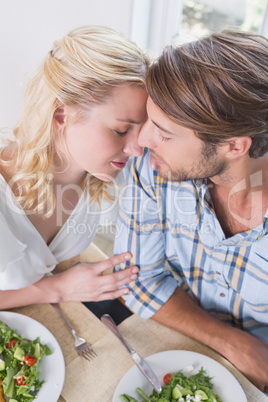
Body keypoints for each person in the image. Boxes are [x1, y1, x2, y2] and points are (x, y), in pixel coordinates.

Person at [114, 30, 268, 392]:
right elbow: (137, 280)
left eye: (164, 133)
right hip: (179, 345)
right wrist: (233, 343)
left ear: (234, 145)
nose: (142, 141)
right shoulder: (154, 167)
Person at [0, 25, 149, 310]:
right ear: (61, 116)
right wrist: (57, 288)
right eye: (120, 131)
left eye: (141, 131)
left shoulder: (98, 173)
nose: (137, 149)